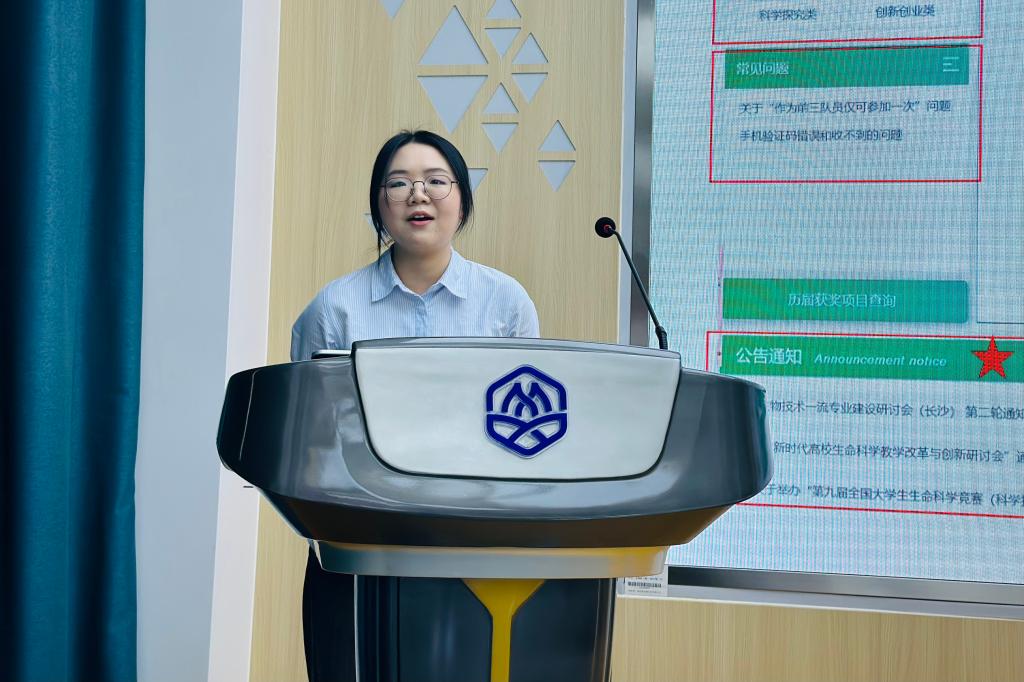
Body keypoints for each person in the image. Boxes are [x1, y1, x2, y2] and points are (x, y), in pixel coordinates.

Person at [290, 129, 539, 681]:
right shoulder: (334, 309)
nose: (417, 195)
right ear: (378, 205)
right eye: (398, 183)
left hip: (473, 540)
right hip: (360, 541)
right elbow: (308, 435)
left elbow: (524, 432)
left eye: (435, 181)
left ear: (462, 199)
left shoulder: (505, 303)